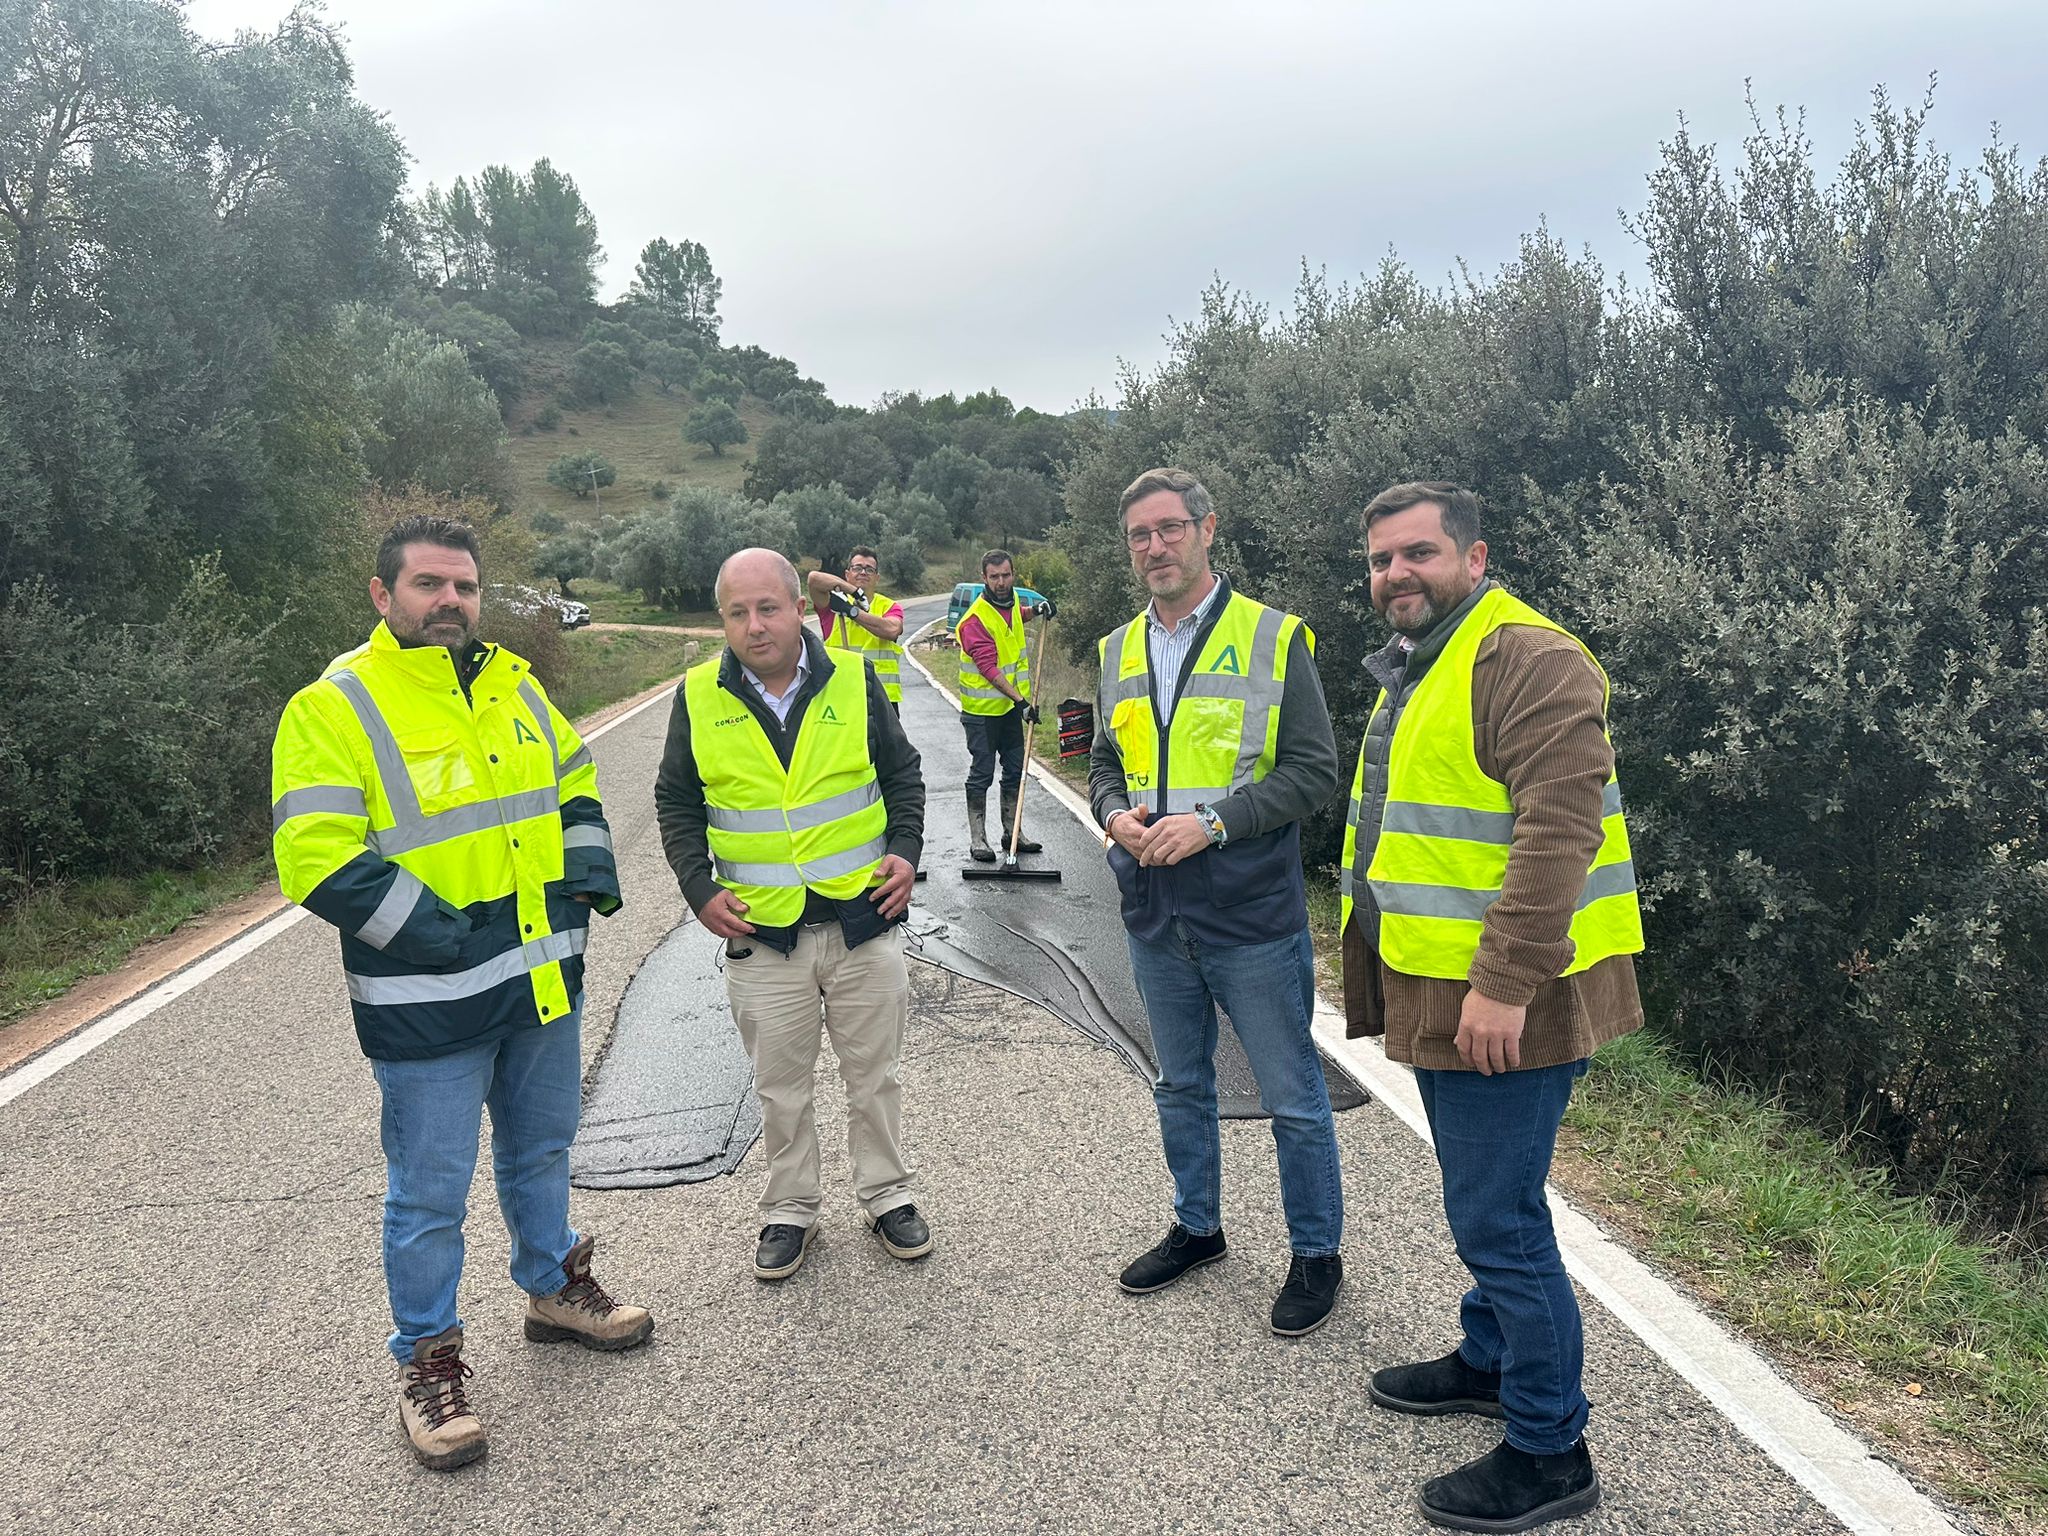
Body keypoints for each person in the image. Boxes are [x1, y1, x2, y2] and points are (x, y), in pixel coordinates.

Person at [270, 514, 651, 1473]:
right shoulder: (333, 707)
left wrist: (589, 878)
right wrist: (443, 937)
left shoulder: (517, 687)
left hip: (538, 982)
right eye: (430, 586)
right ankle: (429, 1365)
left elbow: (574, 782)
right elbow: (313, 855)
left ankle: (553, 1290)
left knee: (542, 1150)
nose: (450, 603)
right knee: (431, 1195)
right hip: (426, 998)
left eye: (465, 588)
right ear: (382, 595)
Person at [1342, 481, 1645, 1533]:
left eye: (1416, 554)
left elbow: (1557, 832)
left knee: (1497, 1218)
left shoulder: (1527, 656)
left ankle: (1547, 1450)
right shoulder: (1429, 659)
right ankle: (1487, 1357)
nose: (1395, 575)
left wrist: (1502, 984)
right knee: (1487, 1192)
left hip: (1512, 996)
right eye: (1380, 560)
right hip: (1448, 983)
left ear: (1473, 557)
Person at [1090, 467, 1347, 1337]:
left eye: (1169, 528)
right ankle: (1198, 1229)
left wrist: (1215, 824)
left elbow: (1316, 771)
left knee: (1292, 1096)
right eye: (1139, 535)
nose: (1154, 547)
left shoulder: (1273, 638)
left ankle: (1317, 1255)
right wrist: (1110, 815)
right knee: (1179, 1084)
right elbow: (1101, 764)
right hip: (1154, 909)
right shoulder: (1116, 649)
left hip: (1248, 912)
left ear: (1207, 529)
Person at [654, 548, 930, 1282]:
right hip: (763, 936)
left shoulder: (853, 676)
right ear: (723, 620)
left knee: (875, 1075)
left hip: (862, 922)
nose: (754, 625)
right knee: (781, 1087)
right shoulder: (697, 696)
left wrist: (906, 850)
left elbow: (903, 774)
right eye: (737, 613)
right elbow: (676, 801)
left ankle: (886, 1195)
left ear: (799, 609)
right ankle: (791, 1210)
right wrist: (696, 887)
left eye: (767, 608)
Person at [954, 549, 1054, 861]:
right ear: (984, 578)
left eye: (1006, 575)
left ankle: (1013, 833)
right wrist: (1022, 701)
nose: (1001, 582)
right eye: (994, 576)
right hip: (982, 714)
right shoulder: (974, 620)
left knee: (1015, 770)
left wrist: (1037, 609)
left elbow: (1014, 618)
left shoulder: (1008, 606)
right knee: (982, 773)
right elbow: (989, 669)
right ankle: (978, 839)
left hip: (1009, 712)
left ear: (1013, 575)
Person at [808, 545, 906, 714]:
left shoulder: (889, 606)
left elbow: (891, 630)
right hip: (842, 699)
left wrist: (852, 612)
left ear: (877, 578)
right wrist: (853, 592)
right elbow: (813, 579)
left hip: (882, 703)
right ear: (847, 574)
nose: (863, 572)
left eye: (869, 569)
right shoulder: (832, 608)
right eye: (857, 568)